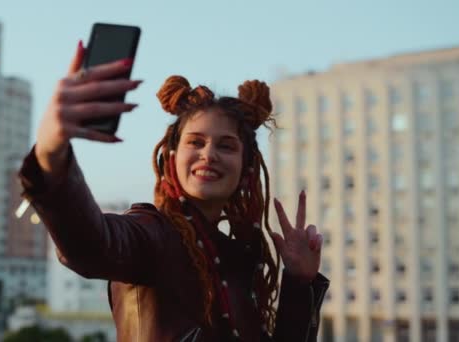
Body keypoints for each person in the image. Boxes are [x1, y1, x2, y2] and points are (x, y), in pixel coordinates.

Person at [19, 41, 329, 341]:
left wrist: (299, 282)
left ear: (247, 167)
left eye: (226, 145)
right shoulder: (151, 233)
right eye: (195, 142)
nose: (209, 154)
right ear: (171, 157)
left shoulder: (240, 258)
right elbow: (89, 245)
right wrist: (52, 151)